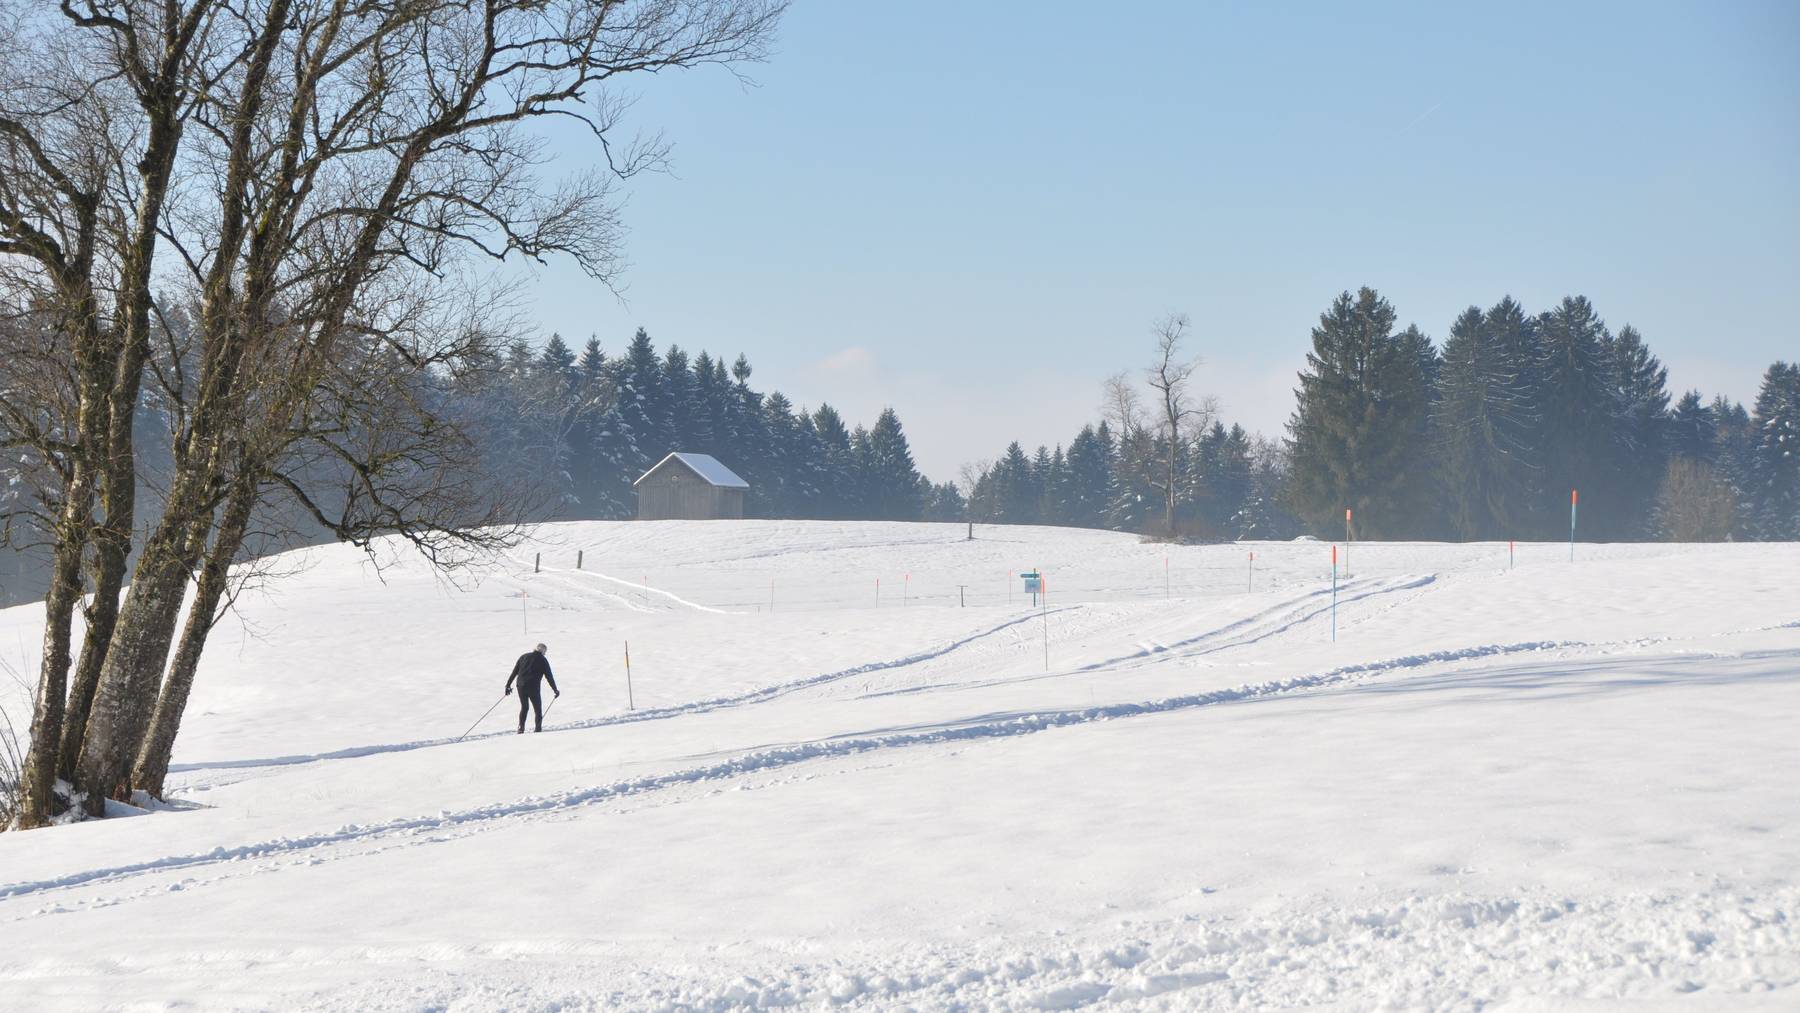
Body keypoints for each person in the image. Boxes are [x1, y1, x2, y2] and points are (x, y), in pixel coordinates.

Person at [504, 643, 560, 734]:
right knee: (537, 709)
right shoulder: (543, 660)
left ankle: (521, 728)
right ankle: (538, 729)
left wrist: (508, 686)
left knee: (524, 707)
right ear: (543, 651)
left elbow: (514, 672)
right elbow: (549, 677)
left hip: (521, 686)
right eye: (545, 652)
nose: (545, 654)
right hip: (533, 687)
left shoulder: (523, 656)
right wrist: (555, 690)